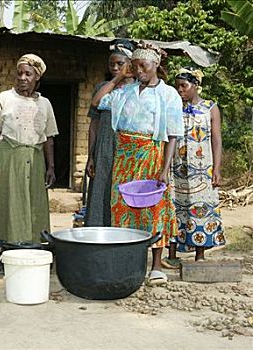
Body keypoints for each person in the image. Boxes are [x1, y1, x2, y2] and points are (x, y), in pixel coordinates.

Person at [91, 42, 183, 285]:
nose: (139, 70)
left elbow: (173, 134)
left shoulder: (168, 94)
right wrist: (119, 77)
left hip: (151, 156)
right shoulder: (125, 92)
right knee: (122, 208)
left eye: (144, 66)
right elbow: (96, 103)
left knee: (153, 209)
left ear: (156, 66)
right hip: (123, 156)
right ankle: (128, 263)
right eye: (135, 66)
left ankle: (155, 267)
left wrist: (164, 169)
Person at [0, 53, 59, 243]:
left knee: (33, 202)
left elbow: (49, 138)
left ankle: (33, 244)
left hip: (35, 159)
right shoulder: (5, 98)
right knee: (7, 201)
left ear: (37, 77)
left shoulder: (45, 104)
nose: (22, 78)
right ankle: (3, 246)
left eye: (28, 74)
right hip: (9, 158)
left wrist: (50, 167)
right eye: (19, 74)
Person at [163, 67, 224, 267]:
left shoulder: (210, 107)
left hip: (202, 171)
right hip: (176, 169)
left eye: (184, 86)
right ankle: (171, 255)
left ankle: (199, 255)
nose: (180, 90)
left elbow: (216, 140)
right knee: (173, 207)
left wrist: (216, 168)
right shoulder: (173, 107)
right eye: (177, 86)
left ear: (196, 86)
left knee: (200, 209)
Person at [85, 39, 136, 227]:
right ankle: (98, 236)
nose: (115, 67)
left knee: (126, 192)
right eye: (112, 64)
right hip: (104, 149)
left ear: (130, 65)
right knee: (101, 192)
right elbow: (94, 123)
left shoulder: (139, 88)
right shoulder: (103, 88)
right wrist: (91, 156)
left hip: (128, 149)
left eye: (120, 64)